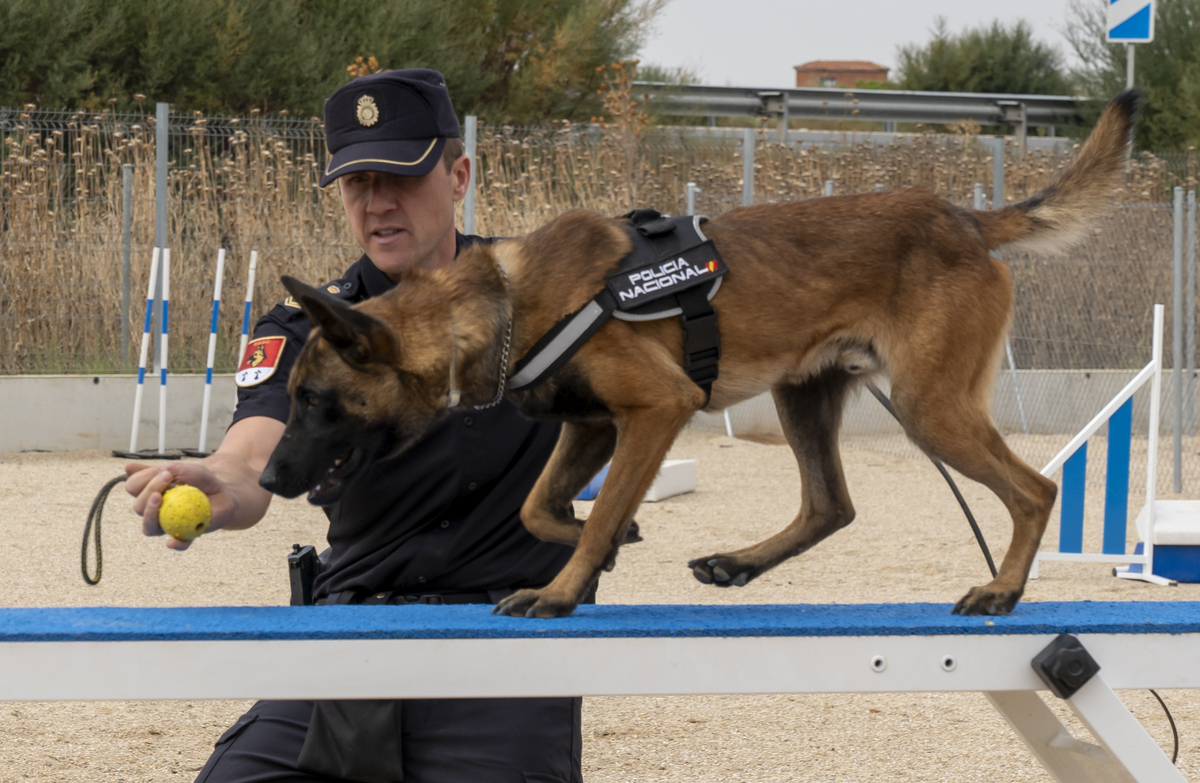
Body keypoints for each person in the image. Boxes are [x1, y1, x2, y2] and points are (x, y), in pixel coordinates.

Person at [125, 68, 585, 783]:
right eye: (356, 183)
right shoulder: (305, 326)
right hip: (350, 637)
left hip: (505, 649)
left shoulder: (544, 297)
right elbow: (252, 459)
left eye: (398, 177)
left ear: (458, 174)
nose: (376, 203)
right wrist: (218, 480)